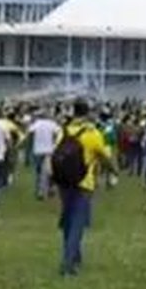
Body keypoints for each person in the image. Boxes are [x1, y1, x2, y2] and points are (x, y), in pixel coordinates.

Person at [54, 100, 114, 277]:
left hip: (64, 182)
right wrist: (112, 171)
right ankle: (68, 263)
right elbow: (103, 155)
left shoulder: (64, 131)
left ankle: (74, 256)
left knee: (67, 221)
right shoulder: (92, 133)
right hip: (84, 182)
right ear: (88, 113)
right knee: (77, 225)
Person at [27, 109, 61, 200]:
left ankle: (40, 192)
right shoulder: (52, 124)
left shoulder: (37, 123)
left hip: (38, 150)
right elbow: (59, 132)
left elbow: (29, 131)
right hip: (49, 150)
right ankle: (50, 188)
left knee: (38, 172)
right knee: (49, 171)